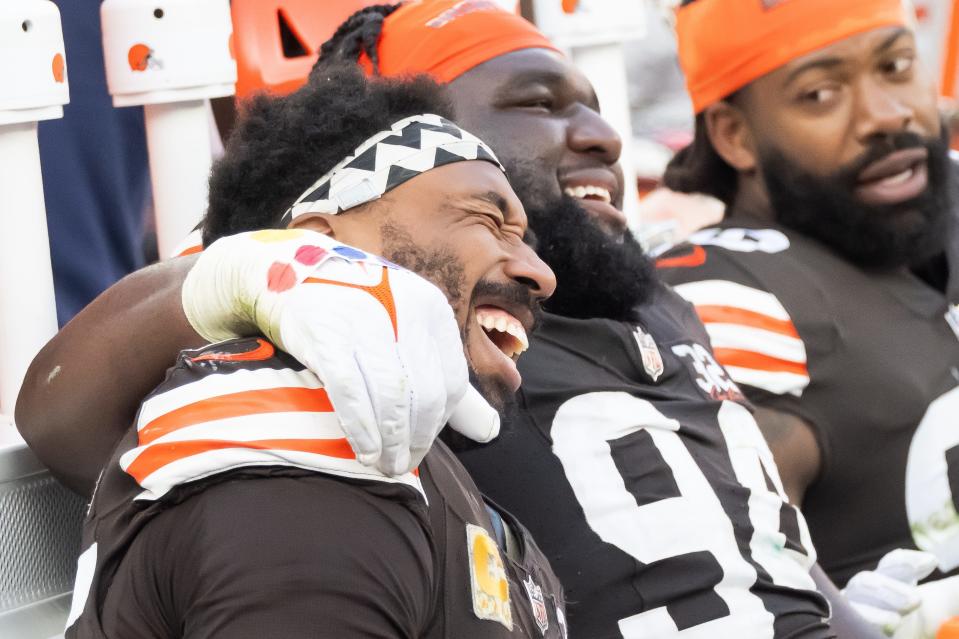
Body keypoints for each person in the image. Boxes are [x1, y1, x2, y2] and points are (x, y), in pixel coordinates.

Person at [21, 2, 885, 637]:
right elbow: (63, 412)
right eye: (535, 103)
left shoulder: (624, 313)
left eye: (588, 102)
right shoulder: (305, 383)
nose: (601, 135)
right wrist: (255, 269)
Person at [65, 64, 566, 639]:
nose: (540, 273)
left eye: (522, 237)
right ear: (319, 243)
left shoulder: (409, 462)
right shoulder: (292, 436)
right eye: (486, 219)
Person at [657, 0, 959, 634]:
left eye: (897, 67)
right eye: (820, 94)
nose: (887, 115)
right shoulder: (731, 295)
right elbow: (717, 587)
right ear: (735, 135)